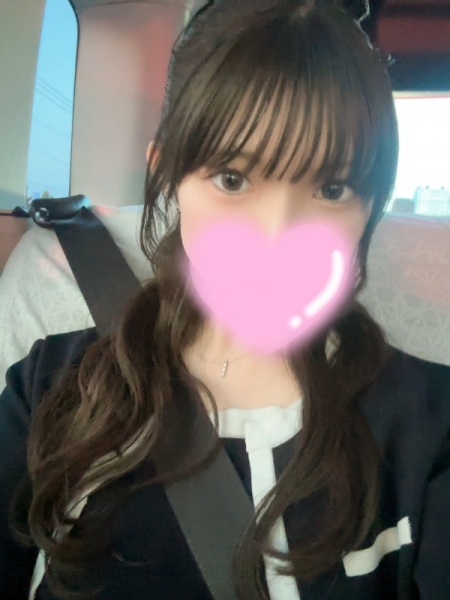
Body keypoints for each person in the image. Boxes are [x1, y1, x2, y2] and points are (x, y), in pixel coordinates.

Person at [1, 1, 450, 599]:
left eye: (332, 187)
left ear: (370, 204)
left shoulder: (430, 426)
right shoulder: (51, 388)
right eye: (233, 179)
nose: (277, 234)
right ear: (168, 175)